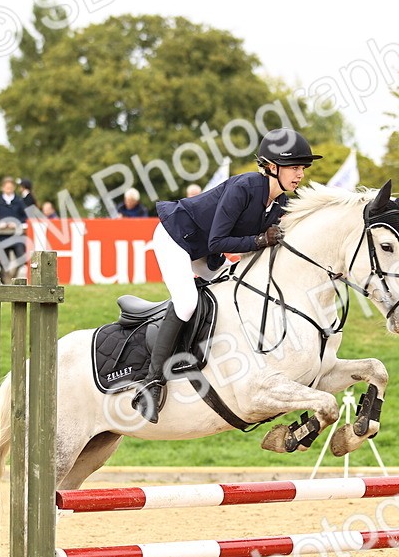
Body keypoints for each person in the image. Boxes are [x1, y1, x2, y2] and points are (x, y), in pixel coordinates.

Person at [131, 127, 322, 422]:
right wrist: (260, 240)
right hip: (177, 238)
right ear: (272, 167)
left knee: (234, 291)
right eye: (294, 167)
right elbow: (217, 242)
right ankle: (151, 383)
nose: (300, 174)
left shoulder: (281, 203)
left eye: (302, 168)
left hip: (205, 251)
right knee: (186, 302)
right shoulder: (244, 187)